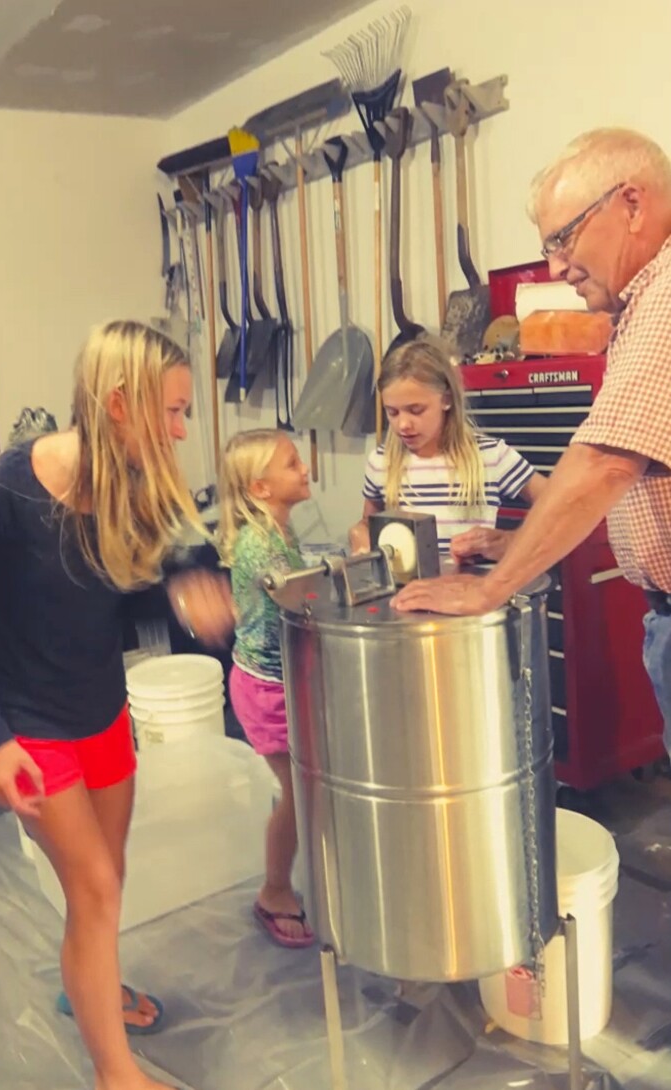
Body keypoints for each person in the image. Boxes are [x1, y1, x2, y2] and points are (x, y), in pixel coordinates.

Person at [0, 320, 234, 1090]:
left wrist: (191, 592)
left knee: (103, 883)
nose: (181, 428)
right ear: (120, 404)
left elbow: (145, 587)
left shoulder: (134, 489)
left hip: (104, 715)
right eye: (172, 410)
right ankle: (114, 1073)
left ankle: (86, 985)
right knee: (94, 889)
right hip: (33, 731)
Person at [393, 128, 671, 757]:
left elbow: (604, 462)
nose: (554, 268)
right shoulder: (638, 308)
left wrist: (494, 587)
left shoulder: (666, 298)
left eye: (561, 239)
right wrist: (524, 542)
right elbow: (600, 453)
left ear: (631, 204)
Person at [218, 429, 315, 948]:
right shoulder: (260, 544)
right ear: (260, 488)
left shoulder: (280, 529)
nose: (305, 468)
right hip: (266, 688)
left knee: (306, 789)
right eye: (292, 463)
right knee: (299, 795)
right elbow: (304, 600)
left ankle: (304, 877)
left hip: (281, 680)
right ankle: (274, 891)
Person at [348, 341, 546, 558]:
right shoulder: (380, 462)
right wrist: (360, 533)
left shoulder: (491, 456)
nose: (403, 424)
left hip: (474, 588)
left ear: (446, 400)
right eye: (392, 412)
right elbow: (368, 523)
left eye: (416, 410)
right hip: (410, 590)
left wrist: (510, 540)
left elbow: (558, 504)